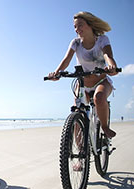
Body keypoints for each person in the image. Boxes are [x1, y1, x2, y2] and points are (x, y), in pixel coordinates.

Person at [49, 11, 119, 139]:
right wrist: (57, 72)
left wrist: (112, 66)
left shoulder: (102, 40)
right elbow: (66, 60)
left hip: (101, 82)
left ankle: (104, 127)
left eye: (80, 25)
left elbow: (107, 55)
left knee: (99, 97)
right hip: (82, 85)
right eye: (75, 27)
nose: (77, 29)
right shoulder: (76, 43)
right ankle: (81, 152)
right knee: (77, 111)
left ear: (90, 25)